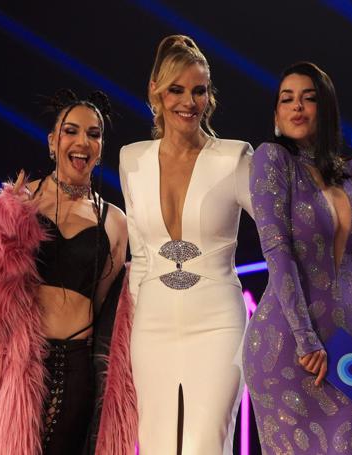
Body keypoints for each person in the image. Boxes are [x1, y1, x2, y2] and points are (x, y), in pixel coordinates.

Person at [0, 89, 136, 455]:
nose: (82, 141)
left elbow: (103, 308)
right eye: (71, 131)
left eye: (94, 134)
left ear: (100, 148)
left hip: (77, 373)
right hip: (17, 367)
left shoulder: (115, 222)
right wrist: (4, 229)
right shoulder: (19, 203)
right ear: (53, 142)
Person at [243, 62, 352, 454]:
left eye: (308, 98)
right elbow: (276, 248)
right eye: (287, 99)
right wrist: (305, 338)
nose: (297, 107)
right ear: (277, 113)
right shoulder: (272, 160)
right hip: (288, 346)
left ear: (327, 107)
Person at [119, 35, 253, 454]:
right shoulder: (131, 159)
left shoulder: (233, 158)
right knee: (157, 445)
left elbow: (278, 237)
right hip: (152, 328)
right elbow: (139, 257)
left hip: (218, 323)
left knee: (206, 445)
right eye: (176, 89)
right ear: (155, 93)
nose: (188, 102)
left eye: (199, 91)